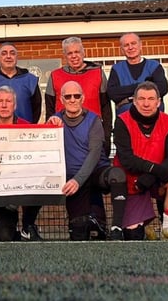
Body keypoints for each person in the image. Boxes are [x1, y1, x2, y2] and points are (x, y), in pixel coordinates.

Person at [44, 36, 112, 238]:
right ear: (64, 56)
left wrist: (106, 138)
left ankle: (99, 224)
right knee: (76, 179)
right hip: (67, 140)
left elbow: (107, 109)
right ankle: (79, 224)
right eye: (69, 53)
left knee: (94, 178)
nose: (74, 56)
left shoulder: (98, 73)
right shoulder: (55, 76)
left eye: (77, 52)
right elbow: (49, 110)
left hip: (93, 135)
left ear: (84, 53)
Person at [47, 81, 127, 241]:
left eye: (76, 96)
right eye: (67, 96)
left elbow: (95, 153)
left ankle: (117, 227)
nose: (72, 99)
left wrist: (77, 180)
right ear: (61, 100)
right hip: (71, 178)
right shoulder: (55, 121)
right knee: (79, 233)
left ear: (82, 98)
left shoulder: (93, 120)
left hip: (95, 173)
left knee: (117, 174)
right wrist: (49, 126)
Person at [113, 81, 168, 241]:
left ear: (158, 102)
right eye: (142, 99)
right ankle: (145, 224)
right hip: (132, 182)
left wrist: (152, 176)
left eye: (151, 99)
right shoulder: (122, 121)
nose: (146, 103)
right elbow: (127, 160)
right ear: (135, 100)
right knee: (134, 236)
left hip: (155, 178)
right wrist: (153, 171)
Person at [0, 85, 40, 241]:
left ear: (14, 105)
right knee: (5, 236)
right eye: (0, 101)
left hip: (23, 184)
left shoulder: (27, 127)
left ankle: (28, 225)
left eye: (8, 101)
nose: (4, 105)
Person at [0, 42, 42, 123]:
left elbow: (37, 109)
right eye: (4, 53)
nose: (8, 56)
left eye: (12, 53)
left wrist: (29, 127)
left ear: (17, 57)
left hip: (23, 131)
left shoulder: (30, 80)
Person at [107, 32, 168, 116]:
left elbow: (162, 88)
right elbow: (113, 94)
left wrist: (128, 95)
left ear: (140, 45)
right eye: (126, 45)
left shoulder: (154, 66)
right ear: (121, 50)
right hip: (126, 119)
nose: (130, 47)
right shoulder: (116, 69)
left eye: (133, 43)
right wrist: (143, 85)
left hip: (153, 119)